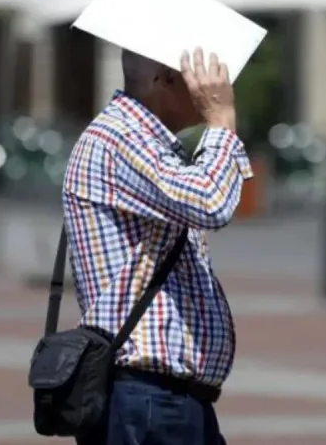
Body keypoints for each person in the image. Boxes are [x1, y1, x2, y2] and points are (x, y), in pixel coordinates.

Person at [64, 47, 251, 445]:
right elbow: (211, 202)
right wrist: (221, 120)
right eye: (199, 77)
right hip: (146, 396)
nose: (211, 88)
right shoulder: (120, 138)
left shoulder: (151, 144)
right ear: (163, 79)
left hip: (166, 397)